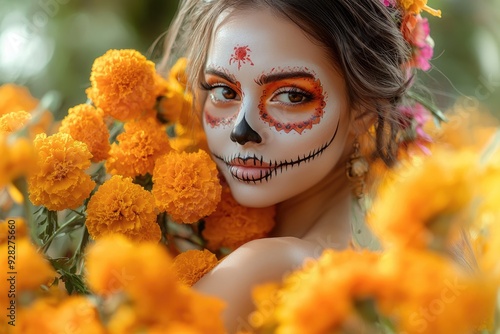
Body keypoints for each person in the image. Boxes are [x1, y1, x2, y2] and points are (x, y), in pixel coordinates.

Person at [158, 0, 416, 331]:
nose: (242, 131)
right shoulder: (376, 276)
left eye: (292, 96)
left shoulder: (269, 268)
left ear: (363, 111)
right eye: (224, 90)